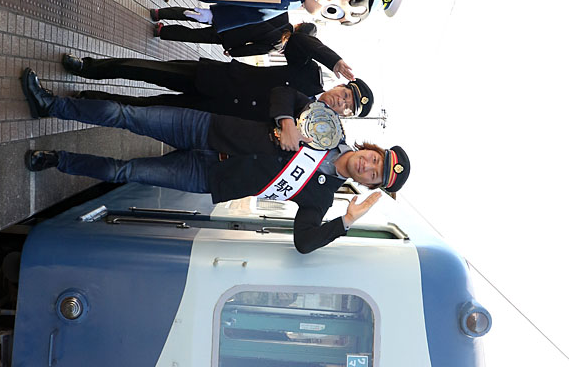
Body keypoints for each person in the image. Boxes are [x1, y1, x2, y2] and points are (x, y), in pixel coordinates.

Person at [21, 69, 410, 254]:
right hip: (210, 130)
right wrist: (287, 121)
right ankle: (51, 106)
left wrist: (346, 221)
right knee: (128, 115)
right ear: (372, 149)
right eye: (376, 159)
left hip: (207, 176)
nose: (368, 166)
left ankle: (58, 160)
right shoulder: (330, 130)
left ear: (368, 184)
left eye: (374, 174)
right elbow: (284, 93)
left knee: (125, 171)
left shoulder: (320, 199)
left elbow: (304, 242)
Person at [58, 27, 369, 121]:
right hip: (216, 78)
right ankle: (87, 67)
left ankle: (86, 98)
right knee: (144, 69)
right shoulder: (310, 75)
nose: (340, 102)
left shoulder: (313, 129)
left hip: (213, 113)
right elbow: (299, 40)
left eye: (346, 107)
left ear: (344, 115)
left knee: (144, 108)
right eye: (345, 95)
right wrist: (333, 60)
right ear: (340, 85)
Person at [149, 15, 317, 58]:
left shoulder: (283, 16)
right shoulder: (279, 44)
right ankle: (162, 31)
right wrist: (233, 52)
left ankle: (160, 13)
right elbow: (254, 49)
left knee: (196, 14)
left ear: (300, 25)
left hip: (232, 19)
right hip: (232, 37)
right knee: (194, 35)